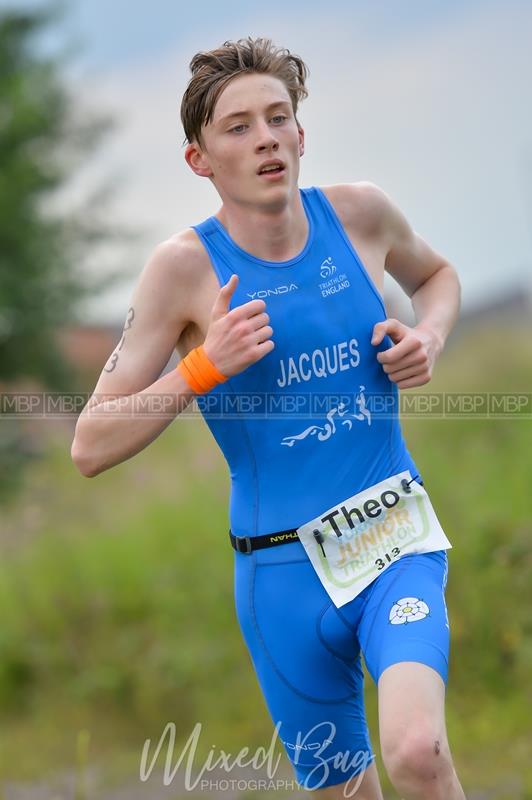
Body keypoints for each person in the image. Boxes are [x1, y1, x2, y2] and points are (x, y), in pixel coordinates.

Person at [71, 36, 466, 800]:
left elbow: (438, 276)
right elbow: (90, 444)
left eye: (277, 118)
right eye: (238, 127)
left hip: (394, 539)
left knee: (418, 751)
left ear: (301, 134)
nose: (265, 140)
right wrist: (202, 367)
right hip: (279, 578)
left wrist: (429, 337)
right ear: (200, 159)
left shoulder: (360, 215)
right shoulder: (183, 270)